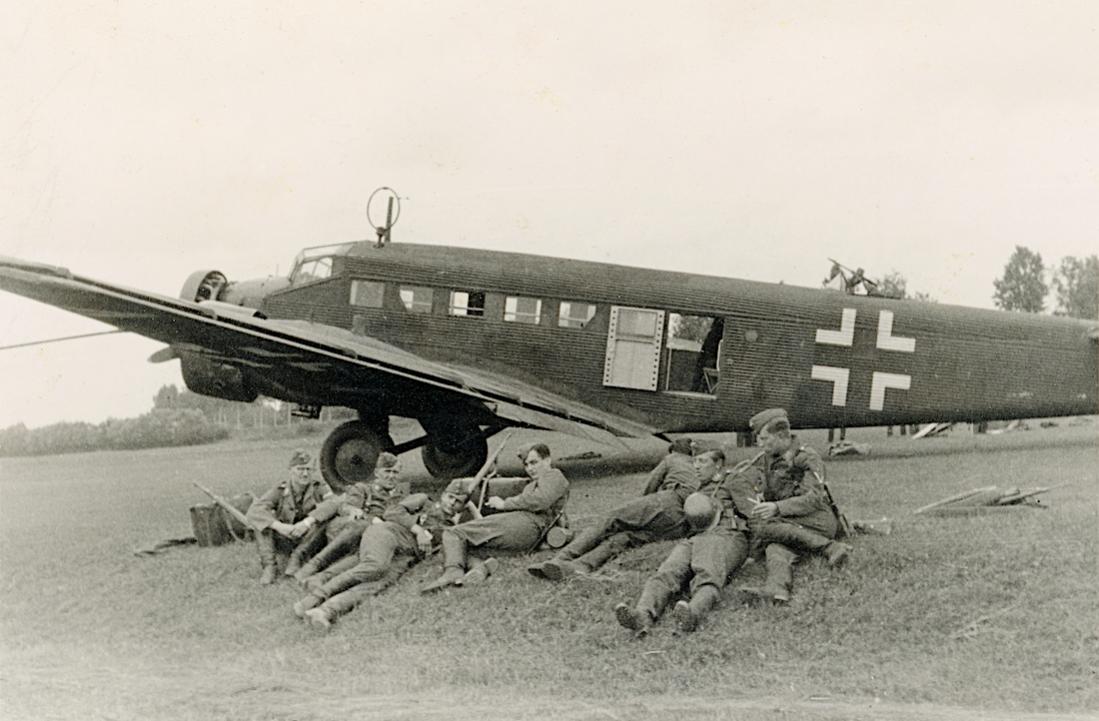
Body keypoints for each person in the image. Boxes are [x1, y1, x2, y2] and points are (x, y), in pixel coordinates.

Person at [294, 480, 477, 630]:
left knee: (377, 584)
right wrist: (418, 530)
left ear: (462, 507)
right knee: (375, 567)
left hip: (405, 556)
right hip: (387, 534)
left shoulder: (452, 529)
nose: (451, 503)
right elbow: (393, 512)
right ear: (443, 494)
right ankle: (314, 598)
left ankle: (325, 611)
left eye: (458, 502)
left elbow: (479, 529)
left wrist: (473, 509)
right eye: (450, 497)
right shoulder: (423, 501)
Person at [614, 448, 756, 634]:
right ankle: (642, 615)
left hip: (727, 535)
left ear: (718, 464)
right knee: (667, 572)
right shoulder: (699, 489)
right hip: (697, 538)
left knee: (708, 574)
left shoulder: (733, 480)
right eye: (695, 461)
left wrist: (757, 550)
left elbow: (754, 514)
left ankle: (692, 614)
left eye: (703, 461)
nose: (696, 466)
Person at [528, 438, 697, 581]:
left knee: (611, 519)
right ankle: (580, 566)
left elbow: (650, 487)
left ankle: (561, 558)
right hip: (683, 523)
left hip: (669, 500)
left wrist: (638, 509)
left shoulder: (672, 459)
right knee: (625, 537)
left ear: (673, 451)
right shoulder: (697, 467)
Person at [736, 408, 852, 605]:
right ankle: (777, 589)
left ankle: (830, 547)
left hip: (818, 520)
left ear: (782, 436)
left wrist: (777, 508)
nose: (759, 444)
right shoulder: (767, 458)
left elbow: (814, 498)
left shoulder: (806, 457)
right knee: (775, 547)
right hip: (790, 523)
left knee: (764, 527)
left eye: (764, 439)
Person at [420, 443, 569, 593]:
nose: (530, 468)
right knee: (459, 546)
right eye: (526, 464)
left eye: (534, 462)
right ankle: (479, 568)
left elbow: (540, 501)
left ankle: (452, 572)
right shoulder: (532, 485)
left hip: (528, 524)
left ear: (547, 460)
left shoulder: (554, 475)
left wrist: (504, 504)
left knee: (454, 533)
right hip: (525, 532)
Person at [291, 452, 407, 586]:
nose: (391, 476)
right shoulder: (363, 488)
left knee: (367, 552)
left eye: (395, 472)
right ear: (377, 473)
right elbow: (346, 507)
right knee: (361, 526)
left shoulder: (402, 495)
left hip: (368, 540)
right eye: (387, 471)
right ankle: (314, 565)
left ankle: (320, 578)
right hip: (345, 532)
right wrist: (362, 514)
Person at [245, 449, 333, 585]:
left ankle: (296, 559)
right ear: (291, 470)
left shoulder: (318, 487)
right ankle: (269, 566)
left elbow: (333, 503)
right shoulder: (280, 489)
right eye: (300, 469)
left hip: (309, 539)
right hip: (286, 537)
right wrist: (280, 527)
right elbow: (255, 510)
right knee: (262, 523)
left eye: (309, 469)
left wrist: (307, 523)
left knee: (324, 519)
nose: (305, 474)